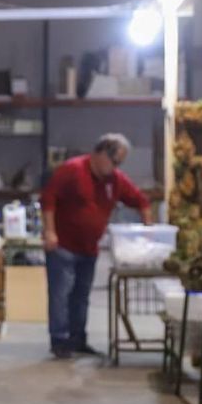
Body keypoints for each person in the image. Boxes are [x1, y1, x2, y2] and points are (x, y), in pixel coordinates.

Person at [40, 133, 151, 359]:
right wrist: (49, 231)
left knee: (81, 296)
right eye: (115, 161)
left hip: (89, 248)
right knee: (61, 294)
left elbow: (140, 200)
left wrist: (149, 229)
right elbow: (48, 199)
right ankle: (60, 341)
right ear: (100, 154)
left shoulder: (115, 180)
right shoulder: (72, 170)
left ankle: (78, 339)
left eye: (120, 163)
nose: (117, 167)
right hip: (63, 246)